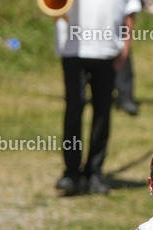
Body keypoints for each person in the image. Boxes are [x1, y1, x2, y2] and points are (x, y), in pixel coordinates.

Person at [54, 0, 140, 196]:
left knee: (102, 111)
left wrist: (126, 44)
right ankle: (71, 172)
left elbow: (130, 9)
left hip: (107, 48)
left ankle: (94, 172)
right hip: (73, 48)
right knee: (74, 109)